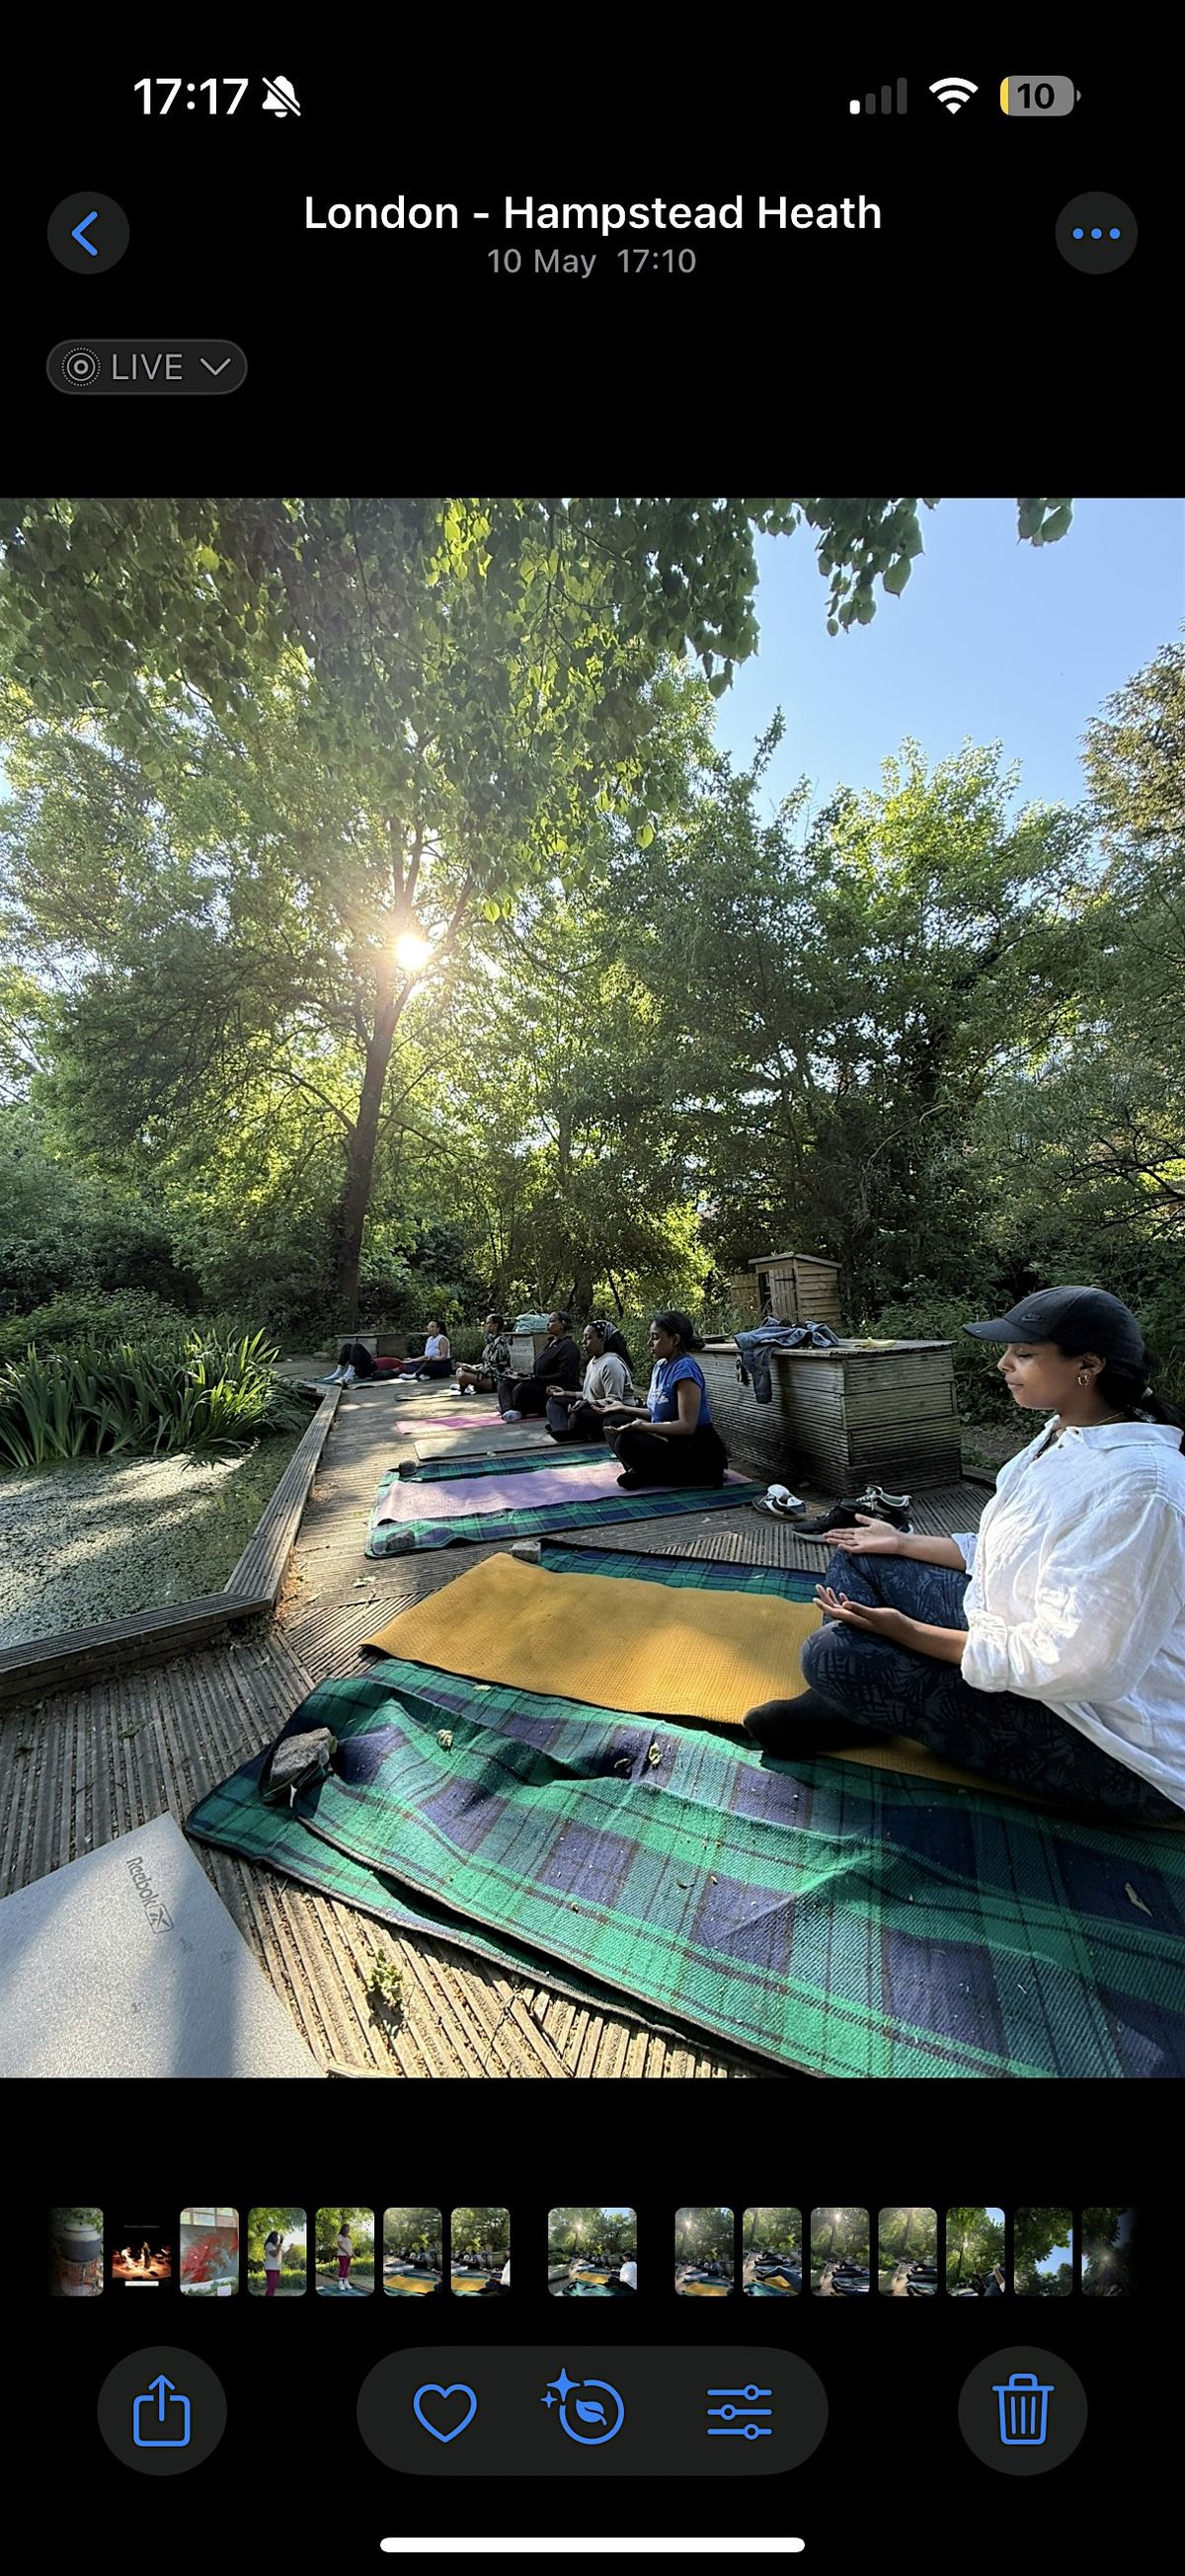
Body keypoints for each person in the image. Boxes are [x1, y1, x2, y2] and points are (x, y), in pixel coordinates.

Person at [742, 1287, 1185, 1820]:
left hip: (1109, 1738)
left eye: (1024, 1354)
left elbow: (1075, 1664)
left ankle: (859, 1695)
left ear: (1087, 1365)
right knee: (861, 1553)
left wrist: (907, 1633)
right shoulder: (1064, 1433)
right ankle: (859, 1701)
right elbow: (1009, 1551)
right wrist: (900, 1542)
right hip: (1016, 1637)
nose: (1003, 1364)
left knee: (829, 1655)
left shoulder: (1142, 1490)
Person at [600, 1310, 730, 1490]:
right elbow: (658, 1414)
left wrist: (642, 1426)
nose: (649, 1343)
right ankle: (646, 1472)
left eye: (655, 1338)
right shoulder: (661, 1366)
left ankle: (662, 1475)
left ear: (675, 1340)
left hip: (697, 1452)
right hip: (672, 1444)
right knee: (613, 1421)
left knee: (627, 1440)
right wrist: (623, 1408)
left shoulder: (685, 1370)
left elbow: (687, 1426)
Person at [546, 1320, 636, 1441]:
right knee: (555, 1402)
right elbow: (587, 1395)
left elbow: (614, 1401)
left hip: (615, 1413)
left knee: (580, 1414)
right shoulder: (593, 1362)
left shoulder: (611, 1364)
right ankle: (562, 1430)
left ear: (602, 1339)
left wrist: (587, 1404)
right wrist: (565, 1393)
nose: (583, 1342)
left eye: (588, 1338)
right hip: (594, 1407)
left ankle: (570, 1429)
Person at [498, 1312, 581, 1419]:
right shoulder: (550, 1344)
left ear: (562, 1324)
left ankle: (511, 1406)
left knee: (521, 1389)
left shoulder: (568, 1347)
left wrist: (533, 1379)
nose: (547, 1324)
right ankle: (509, 1409)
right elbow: (538, 1371)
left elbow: (564, 1375)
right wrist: (521, 1375)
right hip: (539, 1382)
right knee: (505, 1384)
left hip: (553, 1387)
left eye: (551, 1321)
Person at [456, 1313, 512, 1395]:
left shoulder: (500, 1342)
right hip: (486, 1373)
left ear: (495, 1325)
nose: (486, 1325)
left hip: (495, 1378)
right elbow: (486, 1362)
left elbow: (495, 1366)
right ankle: (467, 1387)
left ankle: (468, 1387)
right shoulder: (491, 1340)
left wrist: (476, 1370)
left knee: (463, 1376)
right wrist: (471, 1367)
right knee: (460, 1369)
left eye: (488, 1323)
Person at [263, 2229, 284, 2299]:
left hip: (277, 2268)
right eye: (276, 2236)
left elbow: (280, 2256)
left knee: (273, 2287)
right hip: (271, 2268)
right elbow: (274, 2254)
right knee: (271, 2287)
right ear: (272, 2237)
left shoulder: (276, 2246)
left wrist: (290, 2249)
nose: (277, 2238)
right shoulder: (269, 2244)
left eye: (278, 2237)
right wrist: (280, 2243)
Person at [336, 2223, 353, 2293]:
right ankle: (340, 2284)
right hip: (342, 2255)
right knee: (342, 2268)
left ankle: (345, 2283)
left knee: (346, 2269)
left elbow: (350, 2248)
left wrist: (353, 2254)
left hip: (349, 2255)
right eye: (346, 2228)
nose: (348, 2229)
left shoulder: (349, 2238)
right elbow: (340, 2246)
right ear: (343, 2229)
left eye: (349, 2228)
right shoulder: (340, 2236)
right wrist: (347, 2253)